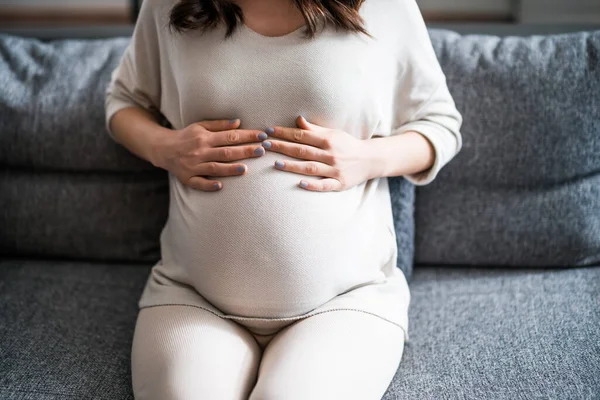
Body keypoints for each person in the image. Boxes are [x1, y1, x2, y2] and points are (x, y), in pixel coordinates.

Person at [104, 0, 462, 398]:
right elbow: (124, 101)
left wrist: (365, 158)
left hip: (344, 303)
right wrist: (165, 147)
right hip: (190, 296)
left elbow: (440, 124)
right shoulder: (170, 5)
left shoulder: (384, 6)